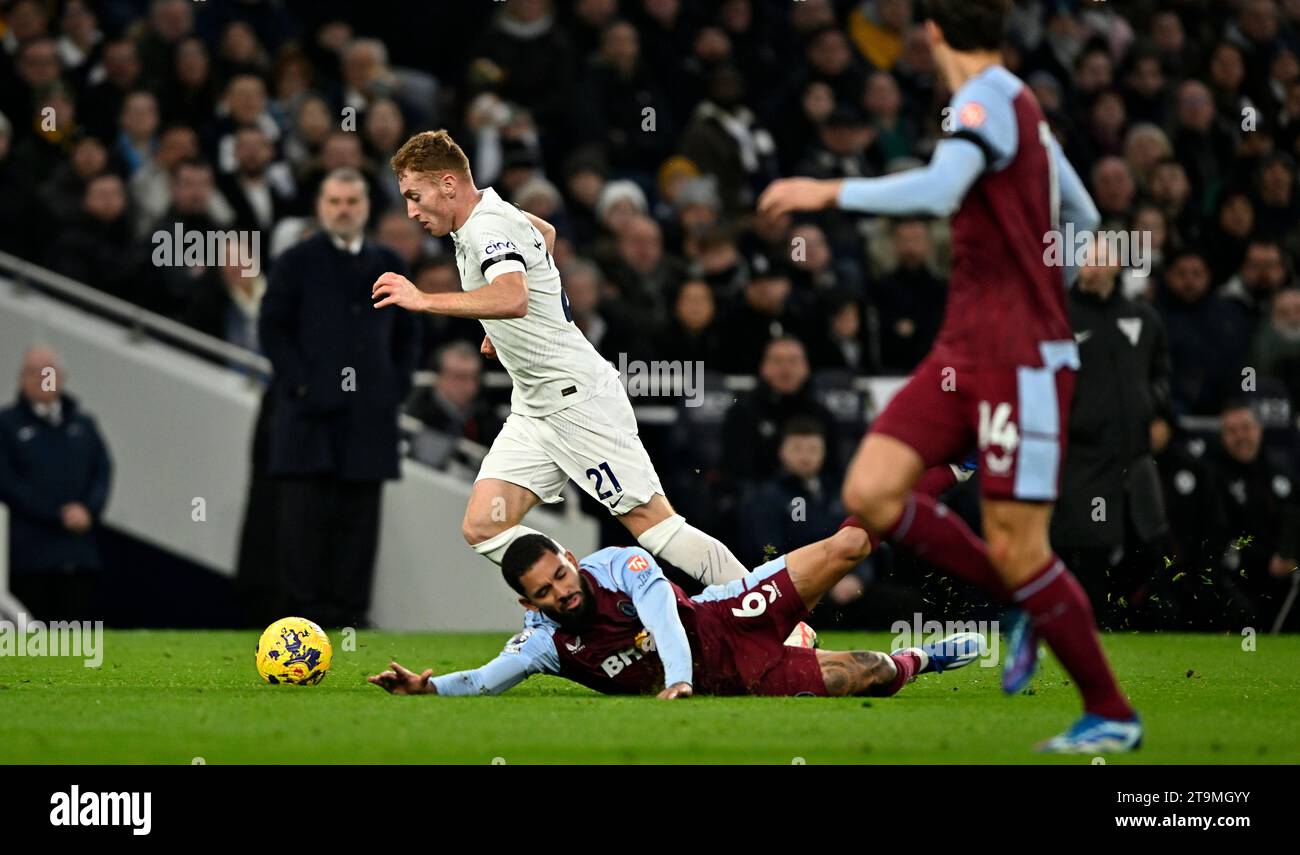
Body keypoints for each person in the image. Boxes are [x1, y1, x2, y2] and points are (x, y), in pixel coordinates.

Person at [757, 0, 1138, 752]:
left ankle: (1111, 712)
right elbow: (1088, 218)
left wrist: (825, 192)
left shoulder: (980, 99)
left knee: (1021, 544)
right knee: (870, 489)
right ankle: (1020, 591)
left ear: (931, 33)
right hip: (961, 350)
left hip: (1020, 358)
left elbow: (936, 192)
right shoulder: (1026, 108)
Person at [371, 130, 812, 643]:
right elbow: (548, 235)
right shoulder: (495, 215)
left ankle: (780, 625)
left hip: (576, 401)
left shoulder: (487, 224)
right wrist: (506, 332)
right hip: (535, 407)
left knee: (657, 527)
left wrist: (426, 299)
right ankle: (576, 583)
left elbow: (512, 295)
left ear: (448, 184)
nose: (409, 212)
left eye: (414, 196)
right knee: (483, 526)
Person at [368, 527, 985, 698]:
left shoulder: (617, 566)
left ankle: (939, 474)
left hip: (728, 616)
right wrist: (427, 687)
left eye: (561, 573)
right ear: (530, 605)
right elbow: (481, 680)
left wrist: (681, 679)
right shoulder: (542, 646)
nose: (563, 591)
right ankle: (920, 658)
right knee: (873, 671)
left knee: (848, 545)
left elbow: (665, 617)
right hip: (741, 677)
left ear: (570, 556)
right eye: (547, 593)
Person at [258, 166, 422, 627]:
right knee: (301, 528)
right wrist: (302, 384)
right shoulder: (296, 261)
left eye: (352, 201)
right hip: (308, 421)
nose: (343, 210)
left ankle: (350, 620)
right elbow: (273, 329)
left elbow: (410, 332)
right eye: (334, 202)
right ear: (320, 207)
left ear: (366, 206)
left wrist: (396, 385)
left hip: (369, 422)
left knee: (358, 529)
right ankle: (298, 627)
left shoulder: (389, 262)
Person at [0, 347, 112, 620]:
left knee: (77, 645)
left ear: (62, 377)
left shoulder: (83, 425)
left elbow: (103, 471)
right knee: (31, 647)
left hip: (78, 555)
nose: (42, 378)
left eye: (48, 372)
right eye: (34, 372)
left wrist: (87, 509)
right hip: (29, 558)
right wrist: (56, 514)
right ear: (21, 379)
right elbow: (8, 483)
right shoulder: (6, 425)